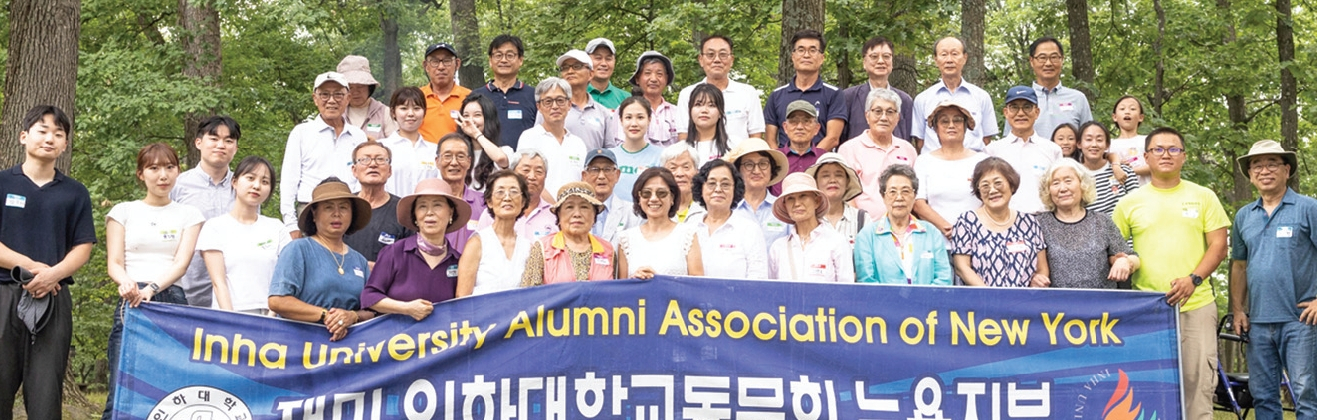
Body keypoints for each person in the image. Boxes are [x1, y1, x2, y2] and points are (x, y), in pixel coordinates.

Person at [1112, 127, 1230, 419]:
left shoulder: (1204, 196)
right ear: (1146, 157)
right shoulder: (1129, 203)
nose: (1166, 155)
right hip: (1146, 310)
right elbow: (1114, 249)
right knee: (1148, 386)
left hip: (1196, 304)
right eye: (1159, 149)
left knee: (1198, 383)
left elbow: (1219, 245)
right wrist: (1124, 261)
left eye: (1173, 149)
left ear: (1184, 157)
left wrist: (1194, 279)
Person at [0, 105, 95, 420]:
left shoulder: (74, 193)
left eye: (58, 133)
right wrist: (32, 266)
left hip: (53, 298)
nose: (50, 138)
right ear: (24, 136)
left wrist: (53, 274)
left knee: (45, 395)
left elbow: (83, 246)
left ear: (66, 144)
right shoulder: (3, 183)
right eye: (42, 130)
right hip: (4, 295)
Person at [103, 143, 203, 419]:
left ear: (178, 172)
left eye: (170, 167)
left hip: (171, 301)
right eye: (154, 168)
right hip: (131, 302)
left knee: (170, 390)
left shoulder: (189, 215)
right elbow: (114, 262)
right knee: (121, 388)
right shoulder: (122, 211)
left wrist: (152, 289)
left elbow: (181, 264)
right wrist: (127, 284)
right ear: (141, 174)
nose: (163, 175)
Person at [1228, 140, 1317, 420]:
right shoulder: (1244, 216)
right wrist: (1239, 310)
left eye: (1272, 163)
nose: (1264, 170)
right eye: (1257, 165)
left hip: (1301, 320)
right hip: (1258, 322)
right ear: (1250, 174)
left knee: (1305, 394)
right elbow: (1239, 266)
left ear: (1286, 170)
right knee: (1264, 396)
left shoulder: (1308, 208)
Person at [269, 178, 375, 342]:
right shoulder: (298, 249)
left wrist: (352, 316)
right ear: (314, 214)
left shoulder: (359, 260)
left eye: (344, 207)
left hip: (349, 352)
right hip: (299, 348)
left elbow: (371, 310)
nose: (336, 213)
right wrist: (327, 316)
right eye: (328, 207)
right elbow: (277, 301)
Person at [361, 179, 471, 320]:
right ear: (415, 217)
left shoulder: (458, 260)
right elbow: (369, 296)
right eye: (422, 207)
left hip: (443, 340)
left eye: (437, 205)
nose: (429, 213)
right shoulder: (395, 253)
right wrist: (406, 308)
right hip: (398, 339)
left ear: (450, 213)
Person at [281, 72, 368, 237]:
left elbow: (361, 178)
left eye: (338, 94)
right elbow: (288, 181)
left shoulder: (358, 135)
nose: (331, 100)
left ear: (348, 98)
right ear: (315, 98)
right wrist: (291, 224)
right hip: (309, 211)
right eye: (325, 95)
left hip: (348, 211)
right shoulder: (301, 133)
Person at [199, 156, 287, 314]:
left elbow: (284, 277)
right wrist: (232, 320)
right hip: (230, 317)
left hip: (270, 316)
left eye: (265, 182)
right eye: (250, 178)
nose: (256, 186)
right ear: (235, 182)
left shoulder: (277, 228)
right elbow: (218, 282)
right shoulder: (214, 227)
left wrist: (272, 316)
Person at [1036, 159, 1138, 289]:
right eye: (1055, 183)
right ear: (1048, 190)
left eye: (1068, 181)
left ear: (1082, 185)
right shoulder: (1039, 224)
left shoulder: (1101, 221)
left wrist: (1125, 261)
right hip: (1057, 305)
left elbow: (1133, 257)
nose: (1062, 188)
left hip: (1101, 305)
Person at [171, 115, 240, 307]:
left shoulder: (244, 185)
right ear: (198, 143)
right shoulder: (178, 185)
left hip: (234, 289)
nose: (221, 145)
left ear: (235, 148)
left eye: (228, 140)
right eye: (214, 138)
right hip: (188, 288)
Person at [951, 158, 1049, 287]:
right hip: (982, 302)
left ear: (1011, 185)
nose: (992, 190)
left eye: (998, 183)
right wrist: (993, 298)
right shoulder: (966, 222)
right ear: (978, 191)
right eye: (985, 185)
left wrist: (1038, 282)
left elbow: (1042, 269)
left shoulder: (1029, 222)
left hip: (1025, 302)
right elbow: (962, 268)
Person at [854, 164, 951, 285]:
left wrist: (921, 303)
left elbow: (944, 279)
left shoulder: (931, 233)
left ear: (914, 195)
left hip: (927, 303)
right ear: (883, 196)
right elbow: (866, 281)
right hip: (883, 303)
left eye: (905, 191)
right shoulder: (867, 236)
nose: (899, 197)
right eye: (892, 192)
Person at [912, 100, 989, 237]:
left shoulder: (981, 160)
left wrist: (968, 228)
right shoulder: (923, 161)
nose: (951, 125)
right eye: (944, 121)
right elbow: (918, 203)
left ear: (966, 126)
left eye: (957, 120)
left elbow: (990, 199)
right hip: (936, 242)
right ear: (936, 128)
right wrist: (946, 227)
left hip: (977, 239)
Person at [838, 88, 917, 217]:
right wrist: (860, 225)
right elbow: (846, 194)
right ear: (867, 116)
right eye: (878, 111)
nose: (884, 117)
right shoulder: (849, 149)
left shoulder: (908, 149)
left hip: (901, 227)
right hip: (863, 228)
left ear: (897, 118)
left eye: (890, 112)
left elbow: (914, 191)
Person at [911, 37, 998, 153]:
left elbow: (987, 138)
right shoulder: (922, 99)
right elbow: (919, 141)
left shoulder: (981, 96)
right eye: (944, 54)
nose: (949, 60)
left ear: (965, 58)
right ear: (936, 59)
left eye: (954, 54)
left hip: (973, 166)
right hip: (934, 165)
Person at [520, 182, 616, 286]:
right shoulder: (543, 248)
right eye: (569, 207)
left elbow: (615, 293)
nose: (577, 214)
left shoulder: (607, 249)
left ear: (594, 215)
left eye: (584, 207)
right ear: (559, 215)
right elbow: (529, 293)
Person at [764, 30, 846, 150]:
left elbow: (832, 138)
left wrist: (811, 163)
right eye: (801, 50)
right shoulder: (777, 95)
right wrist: (782, 163)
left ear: (822, 58)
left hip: (819, 164)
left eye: (813, 50)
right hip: (785, 164)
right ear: (793, 56)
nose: (806, 55)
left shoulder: (834, 94)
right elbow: (770, 140)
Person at [686, 159, 768, 279]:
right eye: (711, 183)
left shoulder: (749, 230)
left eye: (725, 184)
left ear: (735, 190)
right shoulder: (690, 226)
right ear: (701, 188)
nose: (718, 189)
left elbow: (758, 278)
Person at [985, 86, 1062, 214]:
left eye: (1027, 107)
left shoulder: (1052, 150)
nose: (1020, 113)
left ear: (1037, 112)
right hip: (1003, 222)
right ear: (1006, 112)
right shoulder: (992, 151)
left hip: (1044, 221)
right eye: (1014, 107)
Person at [675, 35, 766, 142]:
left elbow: (755, 137)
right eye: (710, 55)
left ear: (731, 60)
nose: (717, 60)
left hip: (738, 157)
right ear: (701, 60)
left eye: (723, 55)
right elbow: (684, 136)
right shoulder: (688, 94)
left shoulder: (748, 93)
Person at [617, 168, 704, 278]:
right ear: (639, 198)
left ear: (672, 197)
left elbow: (697, 285)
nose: (653, 198)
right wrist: (634, 280)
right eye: (646, 193)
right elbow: (622, 288)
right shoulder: (626, 239)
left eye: (661, 193)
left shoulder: (688, 234)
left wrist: (659, 282)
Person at [457, 170, 532, 297]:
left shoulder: (528, 247)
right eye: (500, 192)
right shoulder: (477, 243)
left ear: (523, 202)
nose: (507, 198)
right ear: (490, 202)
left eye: (514, 192)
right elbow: (462, 297)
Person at [767, 173, 853, 282]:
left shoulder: (836, 242)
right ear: (785, 206)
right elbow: (773, 292)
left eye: (803, 196)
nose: (797, 203)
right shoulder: (778, 248)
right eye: (790, 199)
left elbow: (846, 290)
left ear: (816, 201)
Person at [343, 142, 414, 265]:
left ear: (389, 170)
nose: (373, 164)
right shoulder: (343, 207)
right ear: (354, 170)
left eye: (380, 159)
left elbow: (410, 260)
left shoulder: (403, 210)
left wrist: (381, 271)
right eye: (365, 159)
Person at [518, 77, 588, 197]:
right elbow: (525, 179)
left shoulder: (578, 143)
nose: (555, 106)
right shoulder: (529, 138)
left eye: (560, 100)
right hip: (540, 210)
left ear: (569, 104)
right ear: (539, 107)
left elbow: (584, 181)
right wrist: (554, 207)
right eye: (548, 101)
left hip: (573, 211)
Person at [540, 50, 618, 150]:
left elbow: (610, 150)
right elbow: (537, 141)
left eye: (577, 66)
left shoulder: (602, 112)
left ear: (590, 74)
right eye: (565, 68)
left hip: (592, 165)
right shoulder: (549, 108)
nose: (570, 71)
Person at [843, 36, 914, 142]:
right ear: (864, 63)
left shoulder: (905, 100)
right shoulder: (848, 97)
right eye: (874, 56)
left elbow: (907, 137)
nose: (881, 61)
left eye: (886, 56)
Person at [470, 35, 536, 148]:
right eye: (498, 55)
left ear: (520, 60)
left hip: (523, 163)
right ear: (490, 61)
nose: (504, 60)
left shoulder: (534, 95)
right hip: (485, 163)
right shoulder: (476, 96)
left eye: (510, 55)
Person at [478, 149, 559, 241]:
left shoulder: (555, 215)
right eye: (526, 170)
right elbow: (478, 248)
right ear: (513, 174)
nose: (532, 176)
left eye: (539, 172)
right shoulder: (494, 211)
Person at [727, 140, 791, 248]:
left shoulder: (784, 208)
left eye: (763, 164)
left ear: (772, 169)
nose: (756, 171)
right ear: (738, 170)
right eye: (749, 164)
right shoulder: (728, 209)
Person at [1027, 37, 1093, 139]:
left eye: (1054, 57)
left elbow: (1089, 137)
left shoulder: (1078, 98)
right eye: (1042, 57)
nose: (1048, 63)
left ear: (1062, 59)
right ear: (1031, 61)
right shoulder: (1022, 99)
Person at [381, 87, 438, 198]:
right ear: (393, 112)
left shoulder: (434, 150)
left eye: (416, 108)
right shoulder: (382, 148)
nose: (410, 114)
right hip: (391, 212)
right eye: (404, 108)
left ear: (424, 112)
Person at [434, 133, 487, 252]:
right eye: (447, 156)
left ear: (469, 162)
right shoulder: (427, 202)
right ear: (437, 161)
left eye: (460, 156)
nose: (454, 162)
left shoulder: (484, 203)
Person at [1076, 121, 1138, 215]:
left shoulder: (1124, 171)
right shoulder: (1075, 177)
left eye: (1099, 140)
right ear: (1079, 144)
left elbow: (1137, 207)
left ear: (1107, 145)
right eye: (1088, 139)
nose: (1094, 144)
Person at [806, 153, 866, 243]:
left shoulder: (862, 218)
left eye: (839, 175)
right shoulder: (807, 219)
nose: (832, 180)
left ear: (847, 182)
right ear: (816, 182)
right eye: (825, 176)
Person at [610, 96, 664, 196]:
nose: (634, 123)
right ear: (621, 120)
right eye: (628, 117)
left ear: (649, 119)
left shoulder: (661, 156)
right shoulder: (609, 156)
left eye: (640, 117)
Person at [772, 100, 827, 196]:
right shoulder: (774, 158)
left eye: (806, 121)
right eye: (794, 122)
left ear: (816, 128)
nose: (800, 127)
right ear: (785, 127)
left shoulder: (825, 158)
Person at [583, 149, 639, 244]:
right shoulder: (576, 212)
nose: (601, 176)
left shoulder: (632, 212)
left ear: (617, 175)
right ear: (584, 176)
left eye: (607, 169)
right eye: (595, 170)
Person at [458, 94, 512, 190]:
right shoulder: (458, 153)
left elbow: (500, 159)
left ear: (488, 118)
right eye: (466, 116)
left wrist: (476, 134)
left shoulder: (504, 151)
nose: (470, 121)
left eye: (477, 115)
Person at [418, 42, 470, 143]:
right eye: (434, 61)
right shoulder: (416, 98)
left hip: (458, 156)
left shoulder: (470, 98)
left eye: (447, 61)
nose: (441, 67)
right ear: (426, 66)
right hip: (422, 157)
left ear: (457, 64)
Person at [337, 55, 397, 140]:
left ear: (369, 87)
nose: (355, 92)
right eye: (350, 87)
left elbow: (395, 144)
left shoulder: (384, 113)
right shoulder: (336, 113)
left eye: (360, 86)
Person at [631, 51, 680, 147]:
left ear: (666, 79)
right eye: (647, 73)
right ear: (637, 79)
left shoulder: (677, 112)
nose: (653, 79)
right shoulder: (625, 111)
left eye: (659, 74)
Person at [684, 84, 741, 164]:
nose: (704, 110)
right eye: (698, 105)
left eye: (711, 105)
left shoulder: (736, 145)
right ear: (690, 111)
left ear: (720, 113)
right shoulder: (680, 150)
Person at [1108, 95, 1150, 185]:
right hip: (1119, 196)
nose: (1127, 112)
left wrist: (1128, 171)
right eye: (1122, 109)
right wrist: (1117, 166)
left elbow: (1156, 165)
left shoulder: (1148, 140)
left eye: (1132, 109)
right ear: (1114, 117)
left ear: (1141, 117)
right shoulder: (1109, 144)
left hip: (1145, 194)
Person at [585, 38, 630, 110]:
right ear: (586, 61)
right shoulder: (575, 95)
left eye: (608, 59)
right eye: (598, 58)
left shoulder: (626, 99)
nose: (603, 63)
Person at [661, 142, 701, 222]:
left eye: (686, 167)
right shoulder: (656, 207)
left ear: (697, 172)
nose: (680, 174)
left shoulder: (707, 207)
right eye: (673, 168)